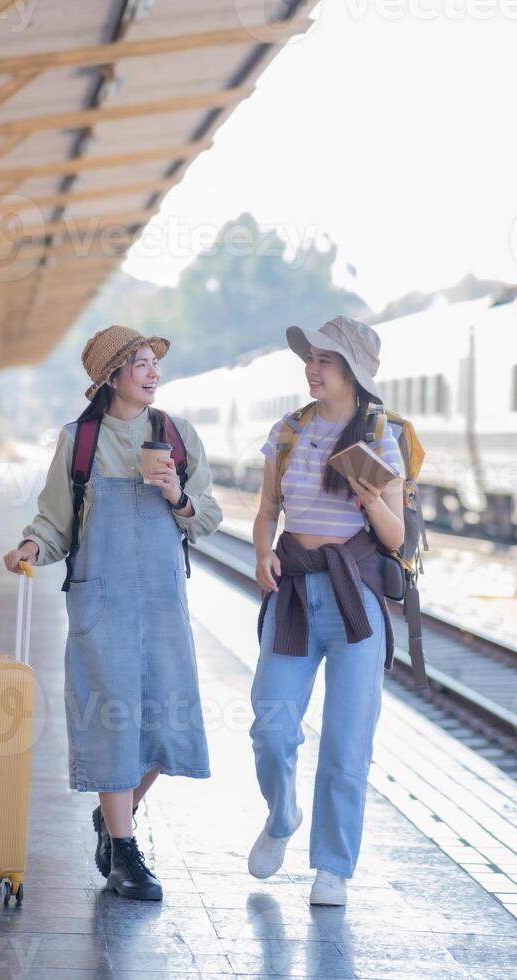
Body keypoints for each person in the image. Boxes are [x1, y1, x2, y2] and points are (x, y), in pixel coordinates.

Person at [3, 325, 222, 902]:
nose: (152, 373)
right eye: (141, 364)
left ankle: (112, 820)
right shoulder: (79, 440)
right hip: (101, 603)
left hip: (162, 605)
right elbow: (55, 520)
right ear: (112, 377)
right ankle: (125, 852)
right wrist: (33, 546)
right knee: (113, 722)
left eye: (155, 363)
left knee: (167, 722)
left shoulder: (177, 434)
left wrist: (177, 494)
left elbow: (208, 515)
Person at [248, 315, 404, 906]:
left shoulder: (379, 438)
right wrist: (263, 552)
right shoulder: (288, 432)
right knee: (270, 726)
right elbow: (267, 511)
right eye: (310, 358)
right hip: (292, 594)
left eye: (325, 361)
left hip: (353, 600)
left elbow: (394, 540)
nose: (312, 369)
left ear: (353, 374)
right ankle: (282, 815)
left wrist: (370, 499)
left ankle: (333, 866)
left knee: (346, 741)